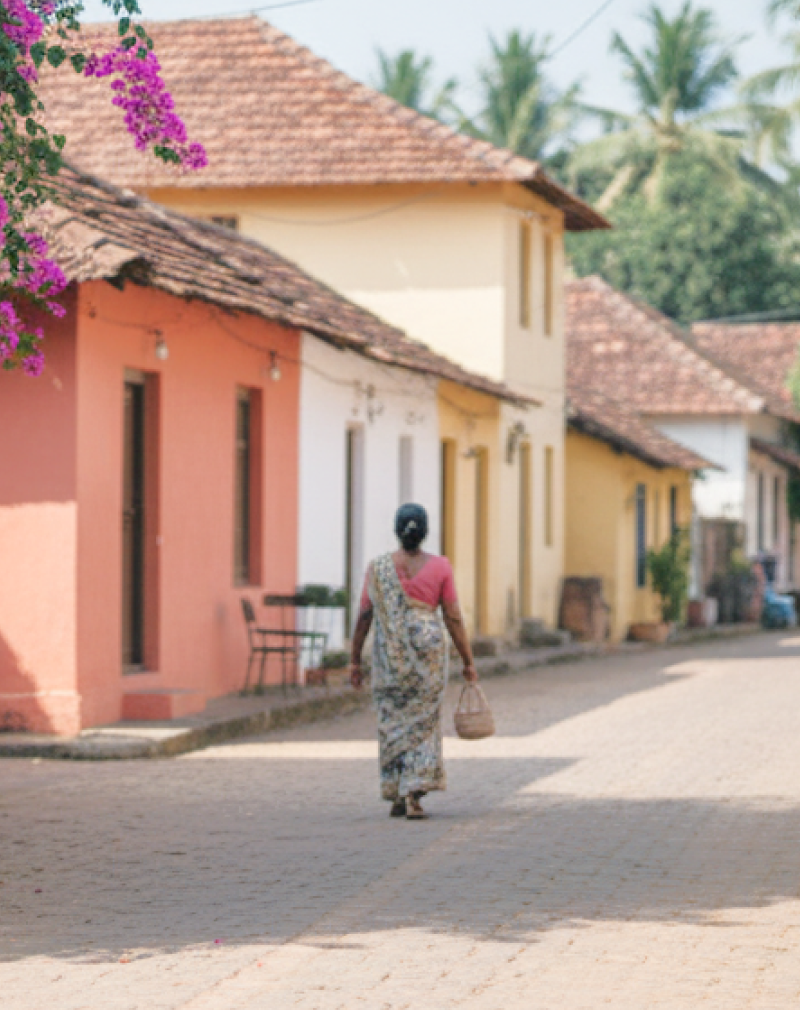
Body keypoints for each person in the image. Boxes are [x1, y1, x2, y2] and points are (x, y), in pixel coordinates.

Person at [350, 503, 478, 820]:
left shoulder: (377, 568)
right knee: (423, 724)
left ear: (397, 530)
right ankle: (414, 795)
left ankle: (396, 791)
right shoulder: (441, 567)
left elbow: (365, 615)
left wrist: (354, 659)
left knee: (393, 721)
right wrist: (468, 660)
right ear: (425, 532)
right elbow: (453, 617)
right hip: (429, 657)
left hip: (388, 656)